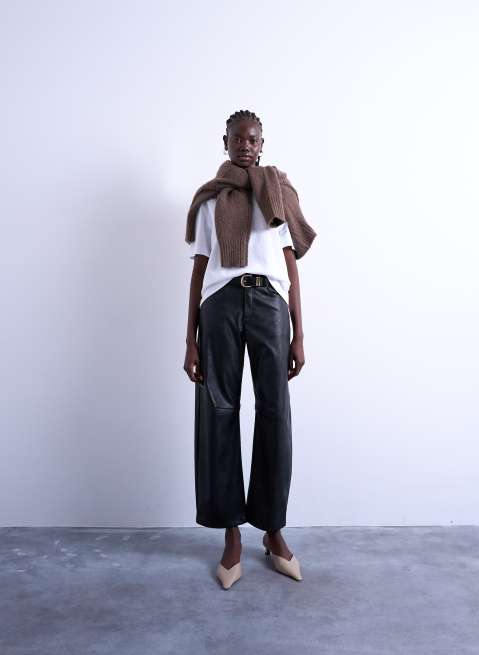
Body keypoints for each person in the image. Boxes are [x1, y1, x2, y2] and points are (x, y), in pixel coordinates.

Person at [183, 109, 317, 589]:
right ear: (224, 142)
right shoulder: (210, 201)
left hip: (269, 304)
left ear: (262, 145)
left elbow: (291, 266)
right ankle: (232, 533)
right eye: (237, 138)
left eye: (253, 139)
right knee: (219, 411)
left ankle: (273, 530)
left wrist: (299, 332)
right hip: (220, 304)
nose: (245, 144)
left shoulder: (276, 194)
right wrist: (189, 339)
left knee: (275, 411)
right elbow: (200, 268)